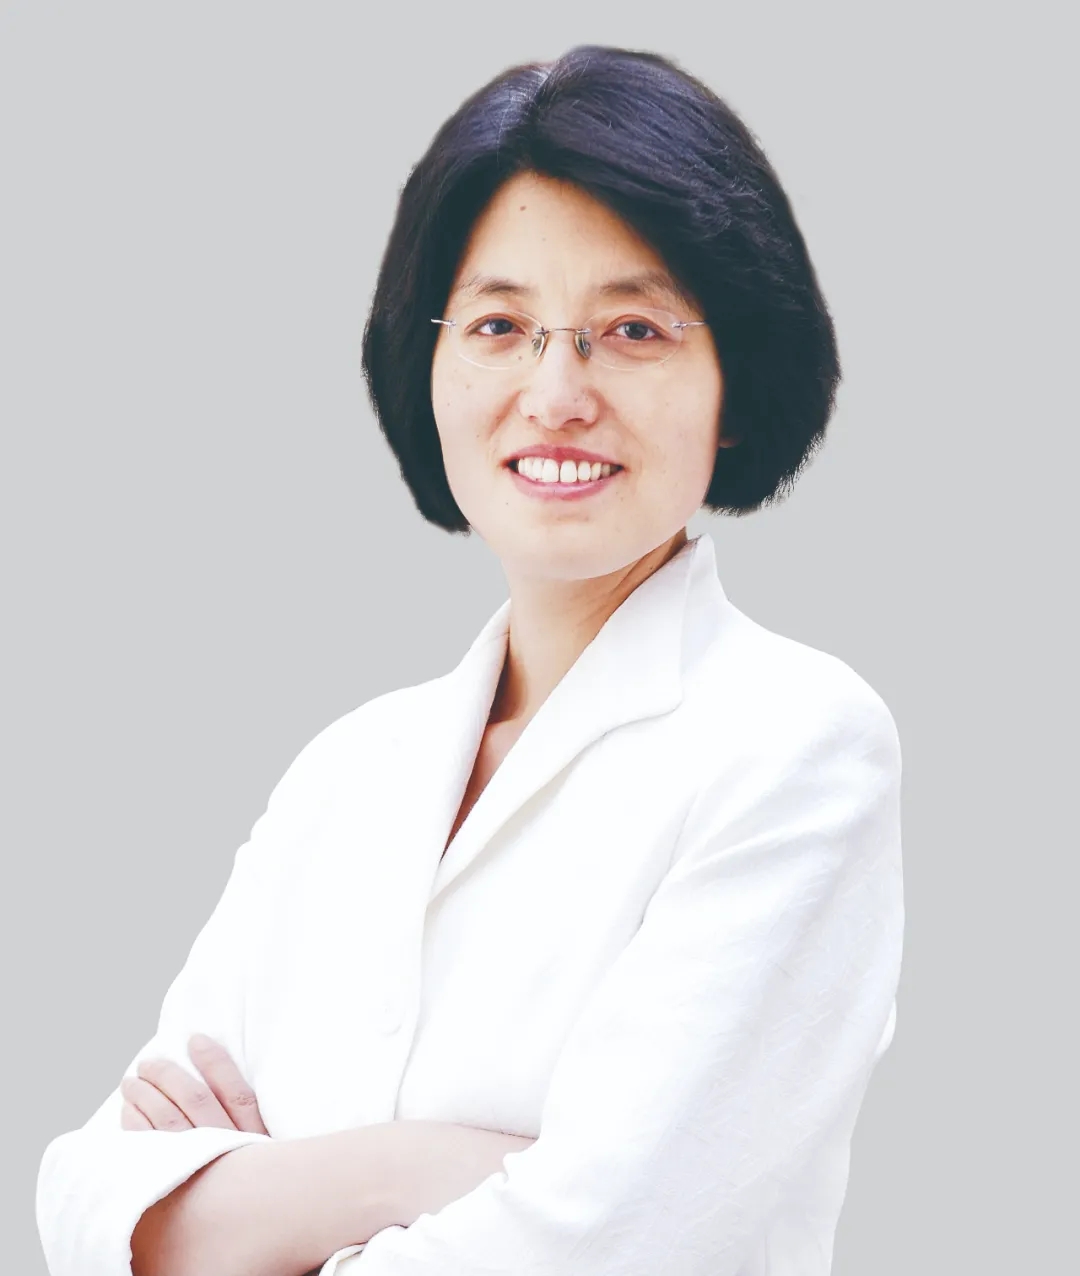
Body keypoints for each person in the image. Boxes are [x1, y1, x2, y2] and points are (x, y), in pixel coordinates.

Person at [35, 43, 904, 1276]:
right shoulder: (346, 772)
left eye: (633, 328)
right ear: (428, 362)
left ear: (737, 383)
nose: (556, 393)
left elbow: (607, 1245)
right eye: (500, 324)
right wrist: (411, 1169)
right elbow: (84, 1199)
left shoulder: (796, 744)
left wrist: (250, 1211)